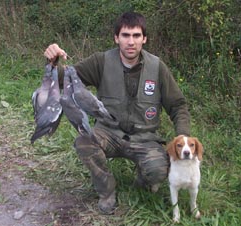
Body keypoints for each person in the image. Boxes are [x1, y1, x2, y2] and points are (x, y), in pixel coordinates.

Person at [44, 12, 191, 214]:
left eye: (136, 35)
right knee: (84, 142)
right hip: (108, 133)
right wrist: (53, 63)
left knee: (158, 170)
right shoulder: (101, 61)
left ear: (144, 39)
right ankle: (106, 190)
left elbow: (178, 106)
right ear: (116, 38)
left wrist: (183, 135)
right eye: (125, 35)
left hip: (144, 138)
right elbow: (64, 80)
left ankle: (142, 180)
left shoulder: (158, 67)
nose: (131, 42)